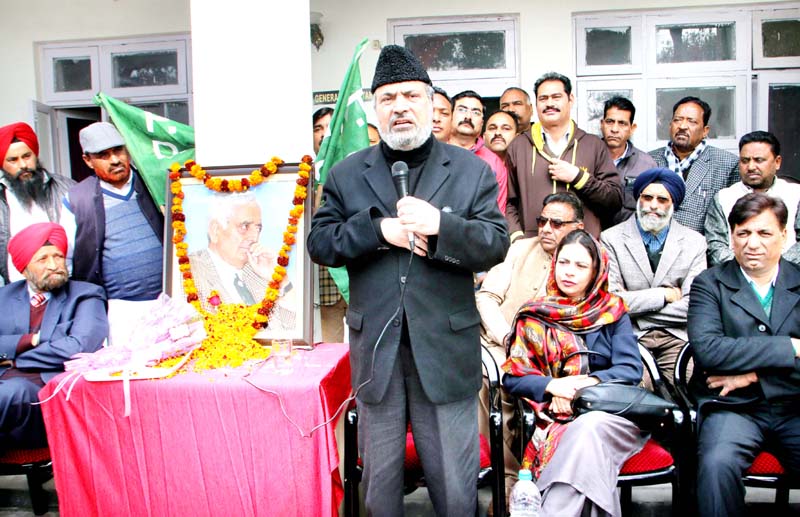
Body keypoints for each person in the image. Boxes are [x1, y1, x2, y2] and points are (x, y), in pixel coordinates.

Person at [307, 44, 508, 515]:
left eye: (411, 96)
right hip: (376, 348)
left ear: (431, 102)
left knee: (456, 488)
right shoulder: (346, 173)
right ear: (374, 108)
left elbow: (495, 243)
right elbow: (321, 242)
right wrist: (380, 230)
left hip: (444, 344)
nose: (400, 106)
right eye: (388, 98)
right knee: (378, 485)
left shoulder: (470, 170)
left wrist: (442, 228)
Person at [502, 229, 644, 516]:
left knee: (587, 427)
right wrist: (554, 386)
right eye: (564, 263)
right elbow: (513, 377)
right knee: (585, 448)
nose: (569, 272)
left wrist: (582, 387)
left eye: (580, 266)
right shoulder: (534, 314)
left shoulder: (612, 311)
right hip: (553, 415)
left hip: (611, 416)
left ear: (596, 271)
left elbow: (630, 369)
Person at [688, 193, 800, 517]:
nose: (753, 243)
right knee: (715, 465)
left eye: (764, 233)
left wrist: (753, 374)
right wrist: (791, 347)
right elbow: (709, 351)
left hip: (794, 405)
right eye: (743, 233)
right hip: (733, 408)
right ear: (731, 236)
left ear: (784, 235)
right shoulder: (710, 283)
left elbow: (729, 350)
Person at [476, 191, 584, 496]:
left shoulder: (589, 257)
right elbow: (486, 296)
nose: (546, 228)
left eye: (556, 223)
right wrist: (507, 337)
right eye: (542, 221)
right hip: (505, 345)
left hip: (559, 355)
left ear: (578, 227)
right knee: (492, 377)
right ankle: (509, 475)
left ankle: (554, 476)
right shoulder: (520, 249)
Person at [0, 222, 107, 451]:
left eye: (58, 257)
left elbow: (79, 346)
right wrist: (31, 340)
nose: (54, 265)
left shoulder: (85, 295)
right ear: (24, 268)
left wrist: (16, 358)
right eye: (43, 259)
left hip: (45, 398)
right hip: (6, 408)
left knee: (14, 391)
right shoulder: (5, 297)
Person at [601, 168, 707, 393]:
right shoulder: (611, 238)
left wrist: (637, 308)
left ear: (673, 204)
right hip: (631, 335)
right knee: (635, 392)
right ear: (638, 199)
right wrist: (664, 295)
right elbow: (611, 301)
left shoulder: (695, 242)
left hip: (675, 336)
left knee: (680, 395)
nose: (653, 205)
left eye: (662, 199)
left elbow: (693, 306)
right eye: (647, 197)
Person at [505, 72, 622, 241]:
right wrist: (517, 238)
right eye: (543, 98)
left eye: (556, 97)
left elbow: (614, 200)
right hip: (533, 248)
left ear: (570, 99)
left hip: (580, 251)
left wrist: (579, 177)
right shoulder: (519, 146)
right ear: (535, 104)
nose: (550, 103)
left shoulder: (593, 145)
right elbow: (510, 202)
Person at [61, 122, 163, 301]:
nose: (115, 160)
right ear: (87, 160)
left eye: (118, 150)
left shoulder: (152, 184)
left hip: (169, 301)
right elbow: (67, 259)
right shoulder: (77, 199)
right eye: (103, 155)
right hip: (115, 308)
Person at [188, 192, 296, 330]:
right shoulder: (189, 272)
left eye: (258, 228)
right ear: (215, 230)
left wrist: (281, 281)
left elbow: (294, 329)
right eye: (244, 227)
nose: (254, 237)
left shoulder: (258, 269)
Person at [705, 130, 800, 266]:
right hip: (735, 279)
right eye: (745, 161)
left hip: (788, 279)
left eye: (759, 160)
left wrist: (774, 269)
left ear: (777, 162)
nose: (750, 167)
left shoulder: (796, 194)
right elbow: (716, 246)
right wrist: (747, 270)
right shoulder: (723, 198)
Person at [649, 96, 739, 234]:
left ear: (705, 131)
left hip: (702, 251)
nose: (682, 126)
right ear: (670, 125)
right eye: (677, 120)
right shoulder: (649, 160)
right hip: (654, 247)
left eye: (691, 121)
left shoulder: (727, 163)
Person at [0, 122, 74, 285]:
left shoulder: (67, 188)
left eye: (27, 156)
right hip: (19, 291)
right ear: (2, 164)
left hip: (68, 284)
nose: (23, 165)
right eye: (13, 160)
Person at [599, 96, 657, 224]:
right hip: (590, 236)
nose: (614, 129)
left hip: (628, 238)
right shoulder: (588, 156)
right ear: (601, 124)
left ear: (632, 128)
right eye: (610, 121)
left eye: (622, 123)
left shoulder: (647, 165)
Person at [449, 90, 508, 213]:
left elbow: (497, 215)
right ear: (450, 115)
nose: (468, 116)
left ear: (482, 124)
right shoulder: (434, 152)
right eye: (462, 109)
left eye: (476, 112)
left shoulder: (493, 163)